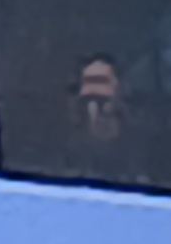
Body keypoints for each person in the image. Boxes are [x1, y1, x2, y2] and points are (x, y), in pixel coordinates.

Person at [47, 53, 143, 193]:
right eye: (89, 82)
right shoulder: (58, 157)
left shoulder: (142, 151)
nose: (96, 94)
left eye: (101, 81)